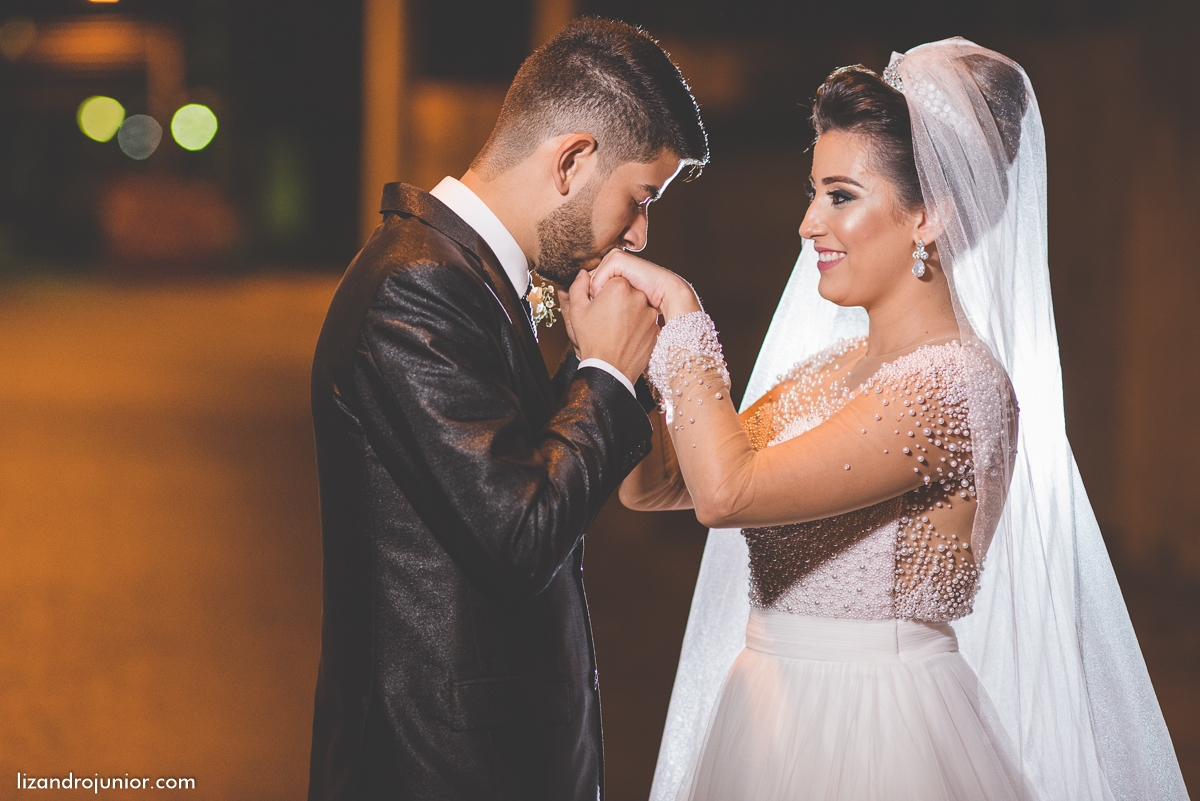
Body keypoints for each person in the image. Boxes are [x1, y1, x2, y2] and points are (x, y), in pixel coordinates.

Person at [591, 38, 1188, 801]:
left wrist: (680, 313)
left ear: (928, 213)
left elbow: (724, 494)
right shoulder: (825, 376)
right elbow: (661, 485)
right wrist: (635, 361)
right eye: (813, 192)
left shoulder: (952, 385)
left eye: (841, 194)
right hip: (768, 715)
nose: (809, 222)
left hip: (874, 734)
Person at [306, 19, 708, 801]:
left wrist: (582, 376)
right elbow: (520, 533)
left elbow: (504, 471)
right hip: (438, 771)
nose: (641, 231)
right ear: (571, 161)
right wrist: (604, 374)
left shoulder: (466, 276)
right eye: (640, 197)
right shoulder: (412, 288)